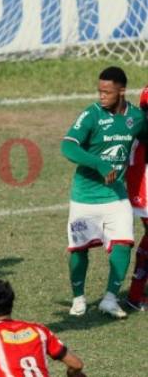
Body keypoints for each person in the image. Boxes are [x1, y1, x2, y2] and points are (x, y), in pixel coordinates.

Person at [61, 66, 148, 318]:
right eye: (99, 91)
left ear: (121, 91)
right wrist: (98, 163)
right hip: (85, 197)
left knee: (123, 245)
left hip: (116, 196)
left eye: (107, 92)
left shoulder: (135, 118)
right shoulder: (92, 115)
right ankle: (78, 298)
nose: (101, 96)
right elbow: (67, 146)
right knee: (79, 251)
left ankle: (110, 299)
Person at [125, 85, 148, 311]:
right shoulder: (144, 125)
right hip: (143, 187)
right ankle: (135, 294)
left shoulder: (138, 121)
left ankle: (135, 293)